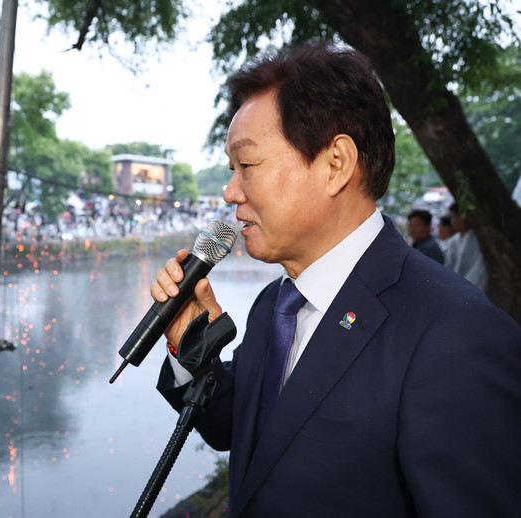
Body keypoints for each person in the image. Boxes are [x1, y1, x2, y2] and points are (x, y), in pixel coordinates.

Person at [149, 42, 521, 517]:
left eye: (247, 165)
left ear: (335, 164)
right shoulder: (272, 307)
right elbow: (237, 431)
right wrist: (189, 349)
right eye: (231, 170)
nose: (229, 192)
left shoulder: (455, 333)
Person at [444, 202, 489, 292]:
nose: (455, 220)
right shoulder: (453, 240)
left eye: (459, 216)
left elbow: (477, 270)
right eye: (453, 217)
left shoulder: (476, 239)